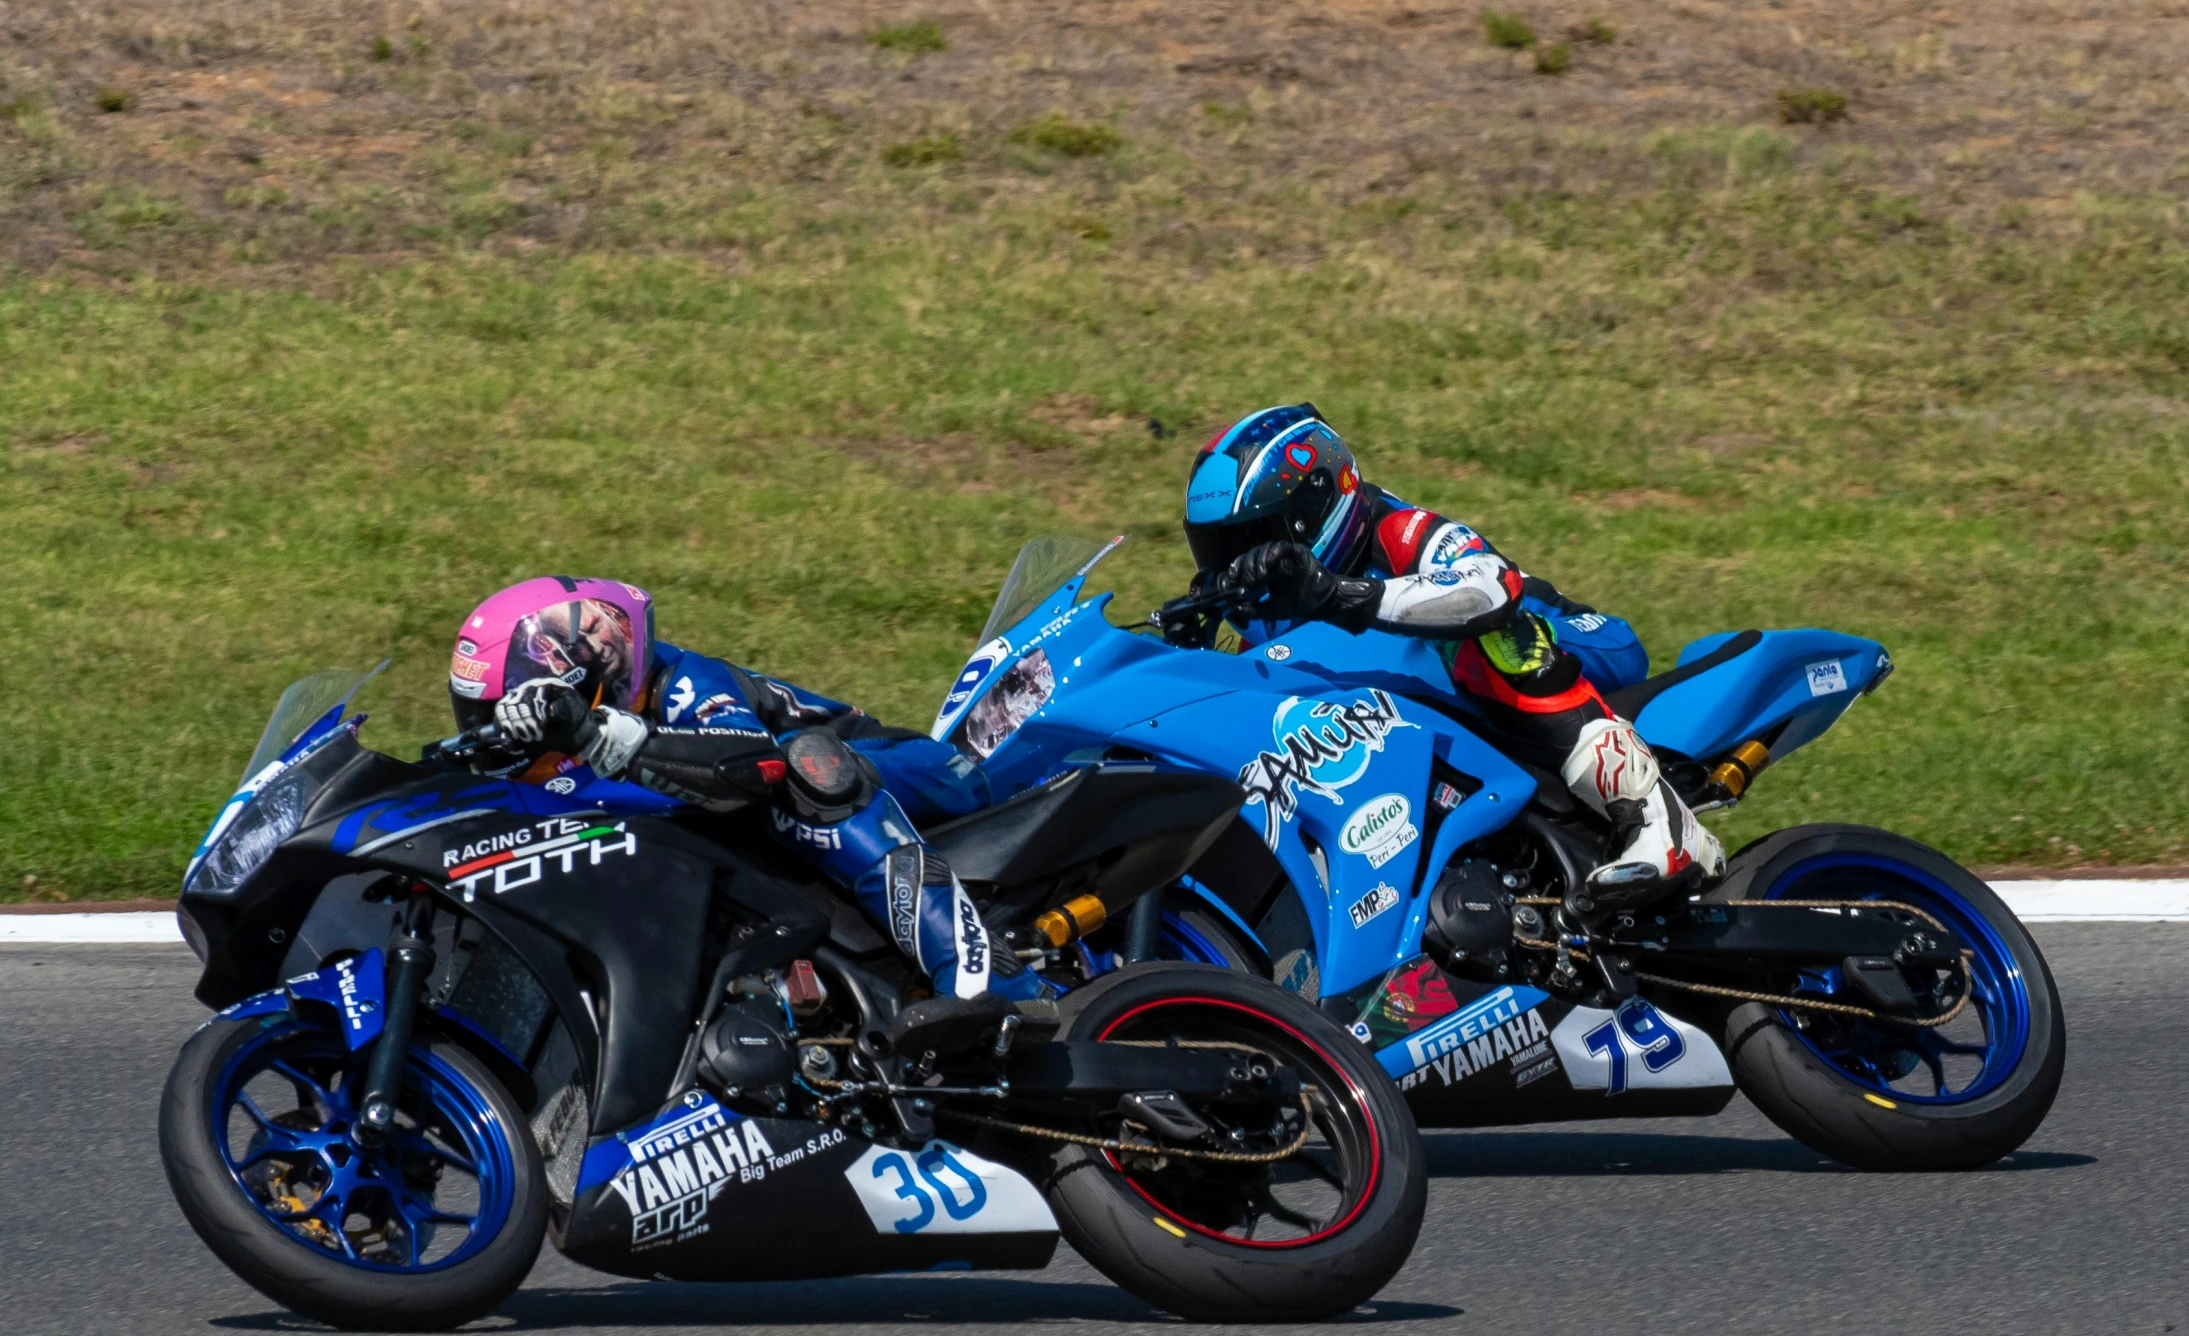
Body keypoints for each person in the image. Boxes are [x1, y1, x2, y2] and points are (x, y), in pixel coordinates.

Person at [1177, 403, 1724, 905]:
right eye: (1219, 552)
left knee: (1477, 635)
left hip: (1579, 642)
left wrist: (1337, 594)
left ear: (1314, 513)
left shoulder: (1393, 527)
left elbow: (1489, 587)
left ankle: (1659, 818)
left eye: (1256, 542)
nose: (1241, 568)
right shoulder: (1272, 628)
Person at [447, 575, 1044, 1009]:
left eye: (522, 709)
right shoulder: (562, 755)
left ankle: (989, 975)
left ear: (585, 678)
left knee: (810, 767)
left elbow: (751, 770)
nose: (512, 732)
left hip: (916, 770)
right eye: (477, 714)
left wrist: (592, 735)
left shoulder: (680, 682)